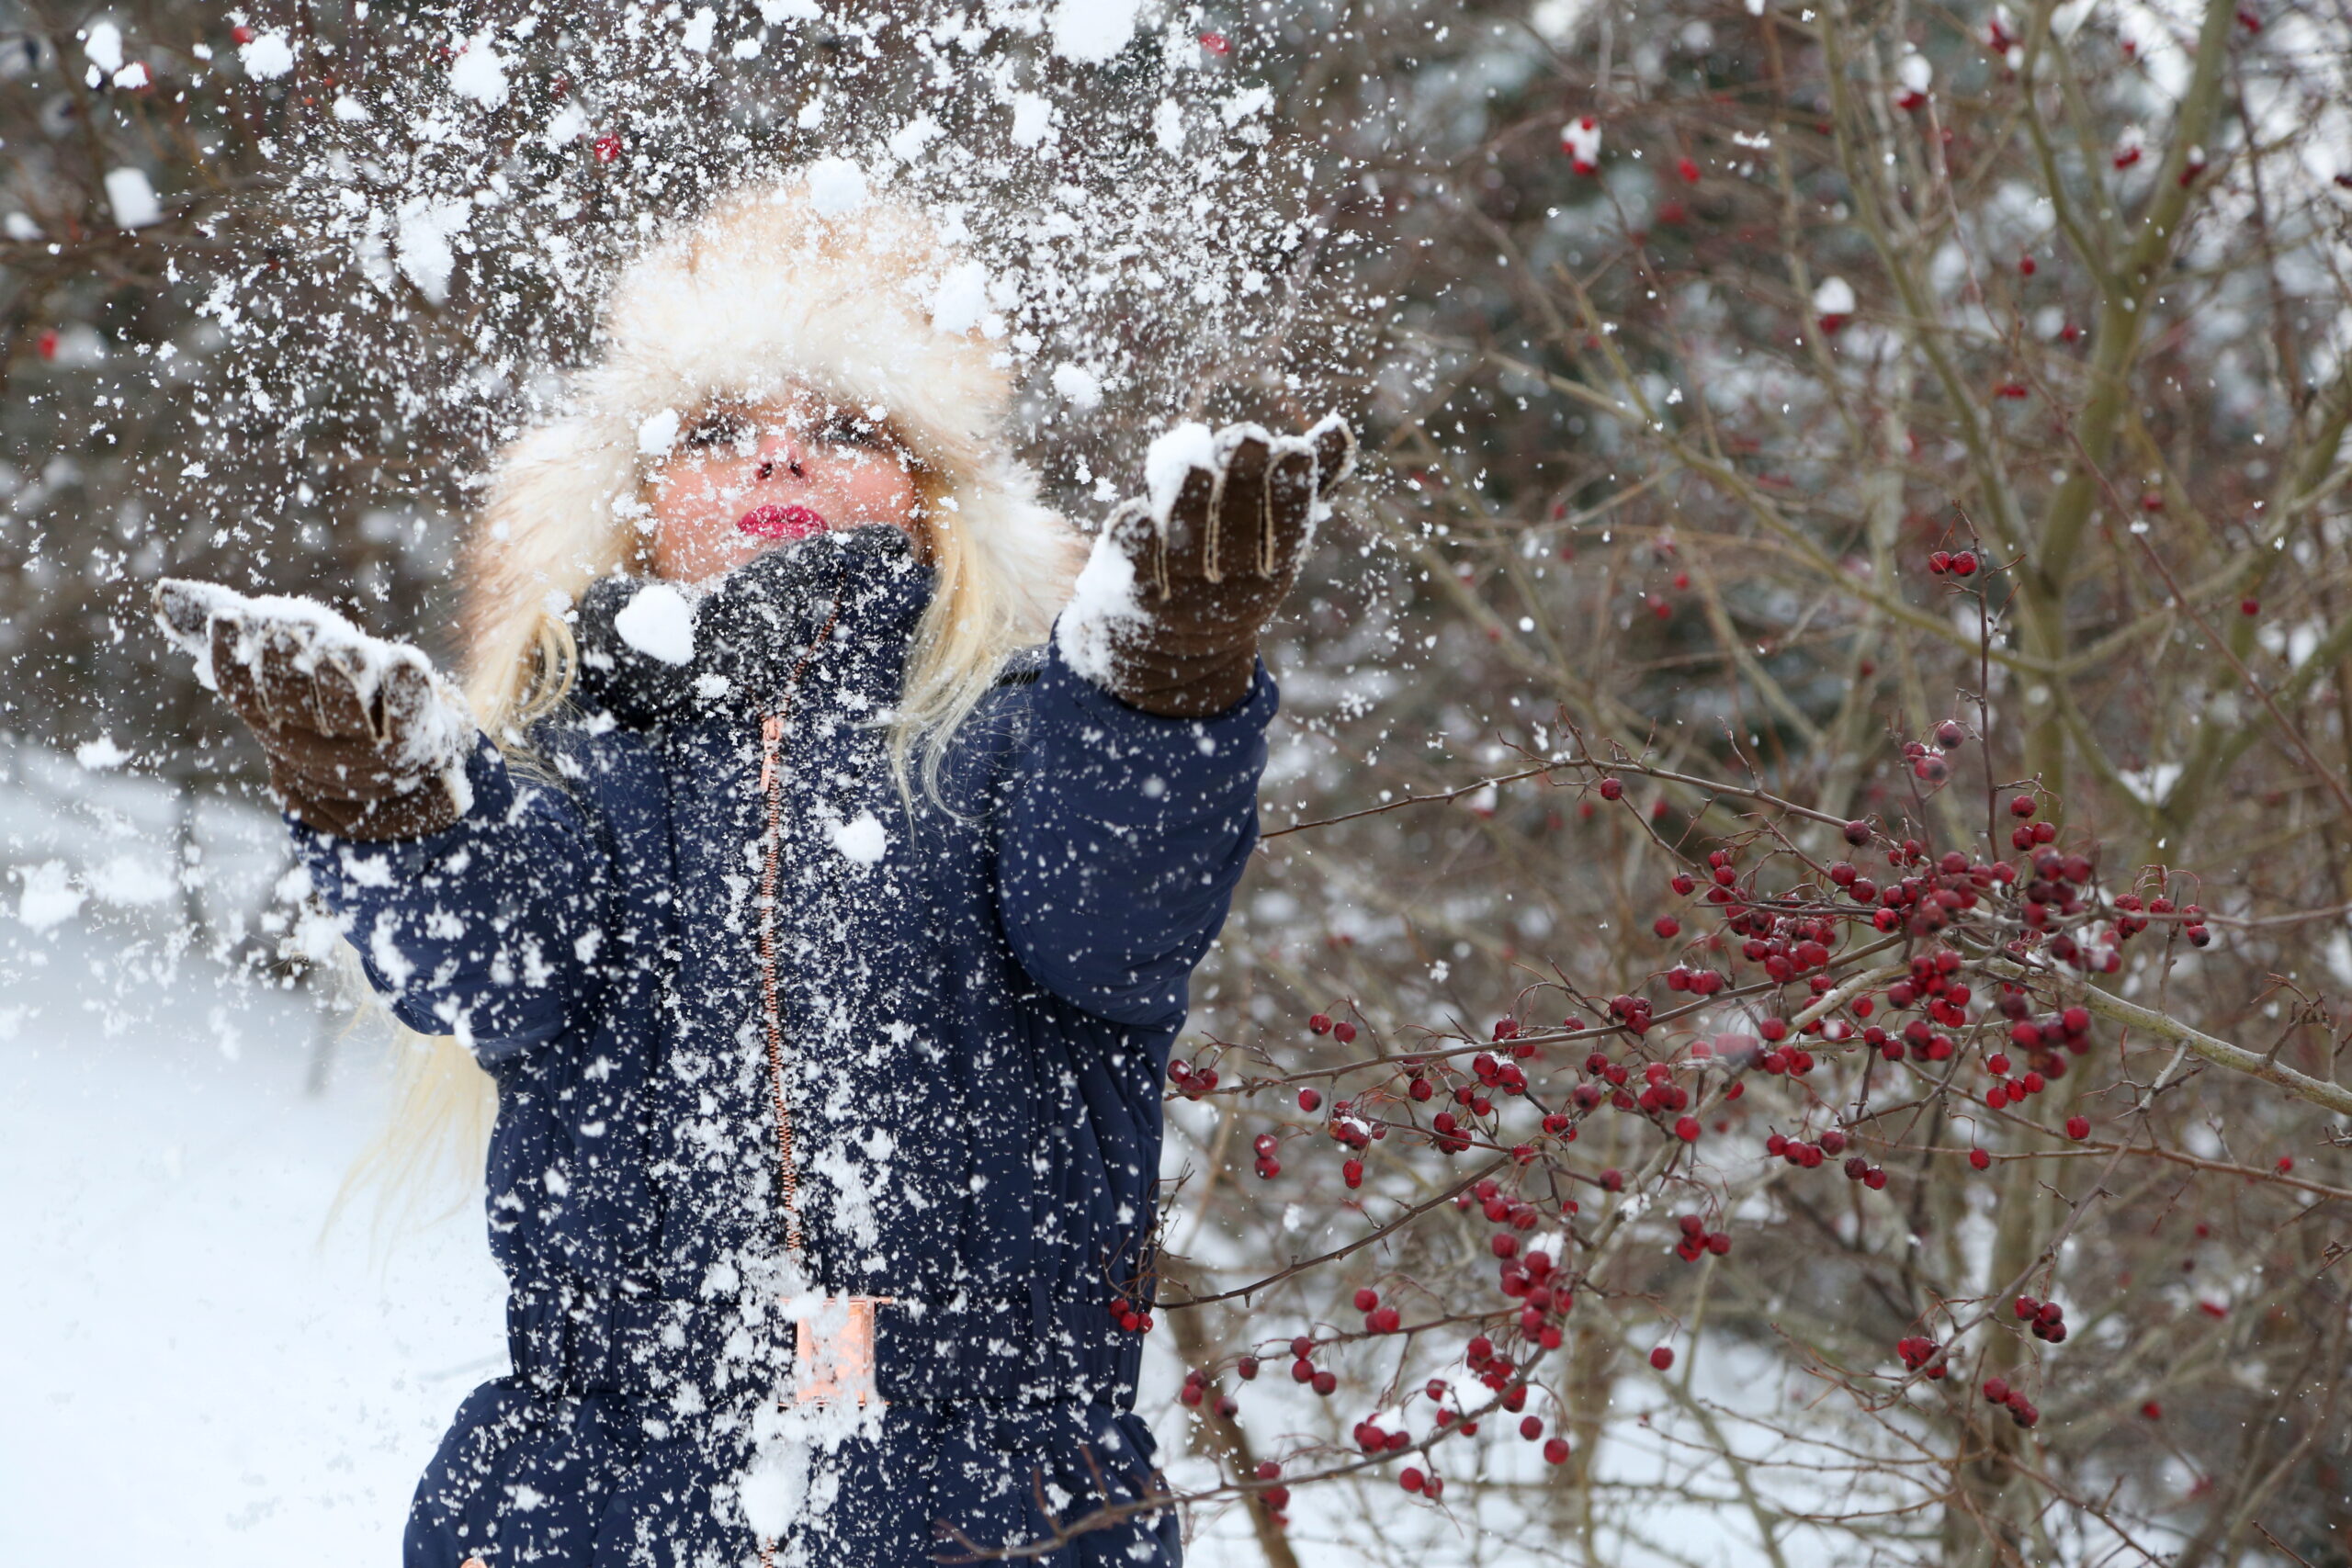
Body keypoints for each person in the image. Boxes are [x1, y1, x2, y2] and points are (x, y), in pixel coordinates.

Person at [153, 164, 1353, 1568]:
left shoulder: (1025, 738)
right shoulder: (577, 759)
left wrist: (1163, 683)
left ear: (926, 497)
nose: (779, 460)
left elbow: (1113, 919)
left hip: (987, 1503)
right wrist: (391, 803)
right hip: (599, 1496)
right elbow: (488, 958)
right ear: (643, 502)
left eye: (846, 427)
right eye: (719, 429)